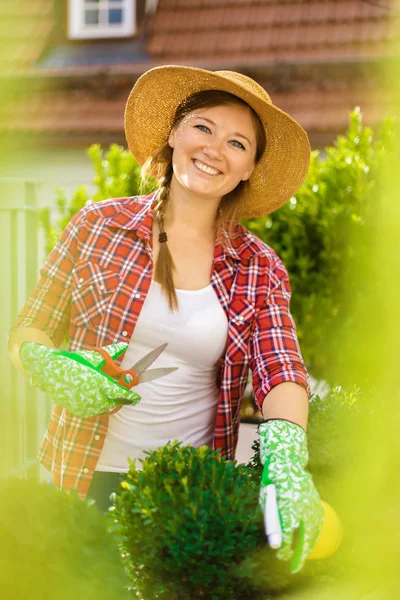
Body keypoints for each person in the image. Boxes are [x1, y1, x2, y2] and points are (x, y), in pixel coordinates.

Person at [8, 65, 323, 572]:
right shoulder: (97, 226)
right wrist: (46, 362)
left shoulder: (260, 267)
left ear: (248, 170)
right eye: (203, 127)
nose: (215, 149)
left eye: (238, 143)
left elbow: (280, 368)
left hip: (187, 492)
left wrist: (286, 455)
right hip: (79, 475)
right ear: (173, 134)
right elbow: (29, 326)